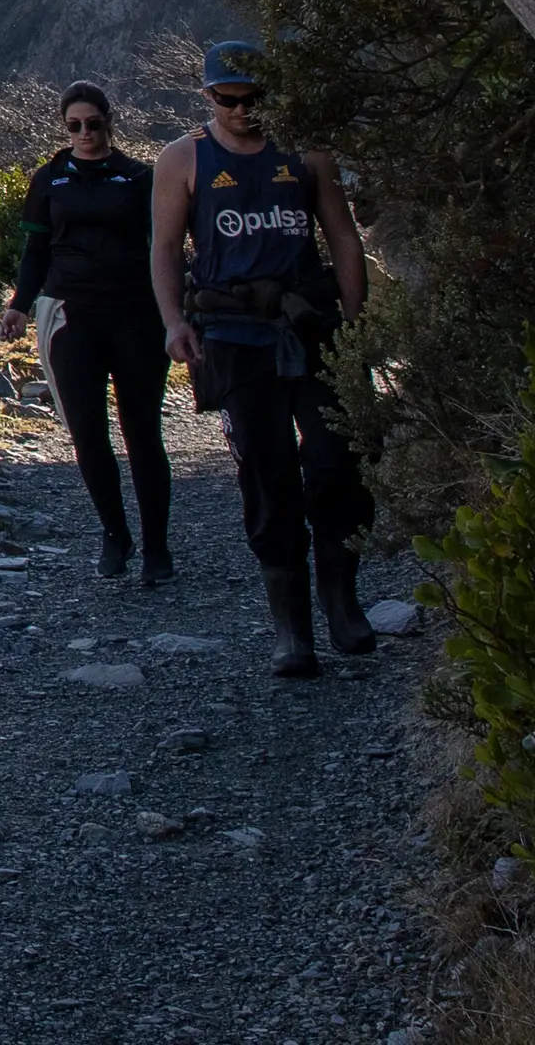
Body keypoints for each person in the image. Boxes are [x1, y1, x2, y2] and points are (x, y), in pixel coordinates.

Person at [152, 41, 376, 677]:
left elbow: (342, 236)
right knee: (266, 472)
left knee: (337, 460)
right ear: (208, 96)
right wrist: (174, 323)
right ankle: (291, 626)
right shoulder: (184, 158)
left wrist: (356, 322)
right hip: (233, 334)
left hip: (311, 325)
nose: (243, 110)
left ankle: (341, 597)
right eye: (230, 99)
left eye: (255, 98)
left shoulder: (307, 154)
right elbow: (164, 247)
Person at [0, 82, 171, 584]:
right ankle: (115, 534)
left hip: (137, 314)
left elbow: (164, 248)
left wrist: (177, 311)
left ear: (108, 121)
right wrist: (19, 306)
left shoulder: (140, 177)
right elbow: (36, 251)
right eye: (74, 125)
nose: (85, 133)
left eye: (92, 124)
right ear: (65, 127)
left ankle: (157, 547)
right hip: (71, 316)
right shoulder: (48, 179)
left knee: (143, 433)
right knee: (88, 434)